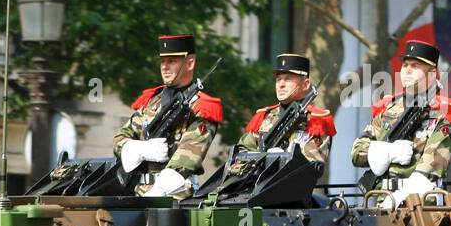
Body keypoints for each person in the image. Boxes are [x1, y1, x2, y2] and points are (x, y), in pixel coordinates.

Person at [351, 39, 451, 201]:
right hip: (382, 198)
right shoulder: (389, 107)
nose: (407, 70)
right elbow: (357, 152)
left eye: (415, 66)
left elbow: (429, 171)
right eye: (405, 65)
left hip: (421, 205)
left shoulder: (443, 112)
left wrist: (397, 198)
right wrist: (387, 152)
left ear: (432, 75)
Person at [113, 33, 223, 197]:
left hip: (175, 196)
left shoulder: (202, 107)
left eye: (172, 61)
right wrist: (138, 149)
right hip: (139, 194)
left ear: (190, 63)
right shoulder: (151, 101)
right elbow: (120, 138)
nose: (165, 66)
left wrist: (160, 190)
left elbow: (187, 157)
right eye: (163, 61)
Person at [232, 52, 334, 170]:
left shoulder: (316, 120)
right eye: (278, 79)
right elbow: (242, 153)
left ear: (305, 85)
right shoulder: (264, 116)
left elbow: (309, 165)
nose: (281, 85)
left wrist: (277, 159)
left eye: (287, 79)